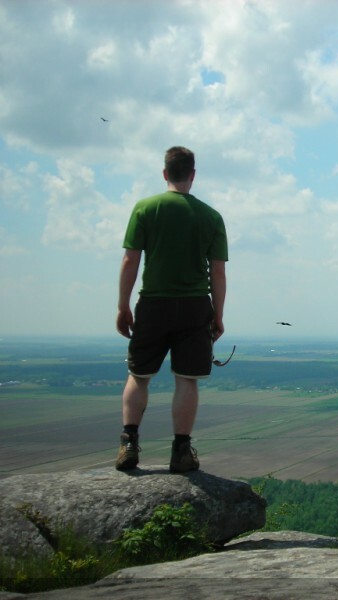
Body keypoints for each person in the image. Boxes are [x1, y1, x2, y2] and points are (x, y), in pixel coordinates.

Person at [114, 146, 228, 473]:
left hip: (153, 303)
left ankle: (129, 444)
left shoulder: (145, 208)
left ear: (165, 173)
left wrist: (123, 306)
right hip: (195, 306)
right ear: (193, 175)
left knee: (139, 375)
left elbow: (130, 260)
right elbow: (218, 272)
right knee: (187, 380)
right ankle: (181, 451)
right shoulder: (211, 217)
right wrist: (218, 314)